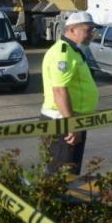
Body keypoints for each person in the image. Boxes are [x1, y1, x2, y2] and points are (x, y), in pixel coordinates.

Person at [40, 11, 100, 176]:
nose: (92, 34)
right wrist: (71, 125)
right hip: (63, 122)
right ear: (72, 30)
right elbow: (59, 90)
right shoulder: (63, 53)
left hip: (70, 120)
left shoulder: (72, 51)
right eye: (88, 30)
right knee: (62, 175)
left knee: (69, 173)